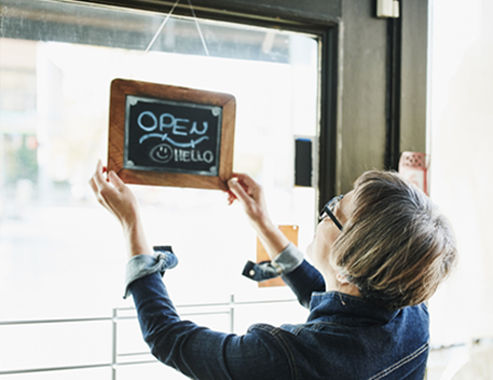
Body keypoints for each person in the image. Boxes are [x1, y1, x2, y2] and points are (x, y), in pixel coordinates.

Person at [89, 161, 457, 380]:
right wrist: (263, 223)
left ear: (347, 267)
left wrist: (131, 223)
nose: (322, 214)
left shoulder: (284, 359)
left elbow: (169, 339)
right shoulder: (410, 312)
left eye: (333, 211)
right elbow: (337, 303)